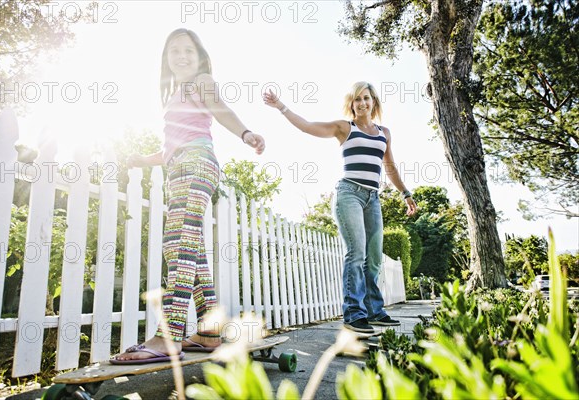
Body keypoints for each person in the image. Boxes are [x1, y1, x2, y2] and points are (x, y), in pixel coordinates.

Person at [112, 29, 265, 364]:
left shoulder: (202, 81)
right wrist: (145, 159)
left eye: (188, 51)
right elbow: (172, 146)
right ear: (166, 58)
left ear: (200, 58)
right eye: (174, 51)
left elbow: (220, 109)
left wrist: (245, 133)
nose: (181, 56)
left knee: (179, 245)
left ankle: (170, 335)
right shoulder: (175, 95)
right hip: (180, 167)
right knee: (188, 249)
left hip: (197, 164)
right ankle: (209, 331)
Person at [263, 82, 417, 333]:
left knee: (375, 258)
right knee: (356, 253)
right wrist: (281, 106)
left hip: (373, 198)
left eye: (366, 98)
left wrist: (405, 193)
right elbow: (308, 126)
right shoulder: (345, 128)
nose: (362, 103)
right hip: (349, 194)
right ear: (351, 103)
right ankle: (354, 314)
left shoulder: (384, 133)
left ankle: (374, 311)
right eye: (357, 99)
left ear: (374, 102)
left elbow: (389, 167)